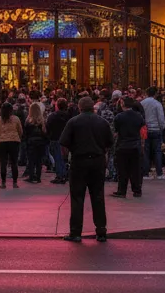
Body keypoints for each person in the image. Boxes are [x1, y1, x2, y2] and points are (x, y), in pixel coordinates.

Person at [59, 96, 114, 242]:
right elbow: (110, 142)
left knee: (77, 197)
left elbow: (63, 143)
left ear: (79, 107)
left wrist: (66, 159)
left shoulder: (73, 122)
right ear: (93, 108)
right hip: (97, 161)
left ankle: (76, 232)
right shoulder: (102, 122)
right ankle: (101, 231)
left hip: (79, 162)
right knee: (98, 196)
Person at [111, 96, 145, 198]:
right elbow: (142, 130)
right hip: (135, 145)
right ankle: (137, 190)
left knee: (122, 169)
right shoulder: (139, 116)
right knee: (136, 169)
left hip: (122, 145)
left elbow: (115, 132)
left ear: (122, 104)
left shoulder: (119, 117)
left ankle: (122, 190)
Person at [0, 102, 23, 189]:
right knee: (14, 163)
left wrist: (1, 137)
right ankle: (14, 183)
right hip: (14, 141)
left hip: (2, 142)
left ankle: (3, 183)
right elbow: (20, 131)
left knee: (3, 163)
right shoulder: (16, 119)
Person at [140, 86, 165, 179]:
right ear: (155, 94)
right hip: (156, 129)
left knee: (146, 152)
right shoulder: (157, 104)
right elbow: (161, 117)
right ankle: (159, 173)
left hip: (145, 129)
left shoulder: (142, 103)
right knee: (157, 151)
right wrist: (162, 127)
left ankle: (145, 173)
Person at [23, 101, 48, 184]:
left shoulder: (28, 121)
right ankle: (38, 177)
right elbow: (45, 133)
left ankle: (31, 176)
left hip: (31, 143)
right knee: (39, 161)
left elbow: (25, 133)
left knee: (31, 160)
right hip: (41, 143)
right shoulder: (42, 121)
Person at [47, 98, 70, 184]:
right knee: (64, 158)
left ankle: (60, 175)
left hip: (55, 138)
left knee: (57, 158)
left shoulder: (53, 116)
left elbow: (48, 127)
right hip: (66, 140)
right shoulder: (68, 115)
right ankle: (64, 173)